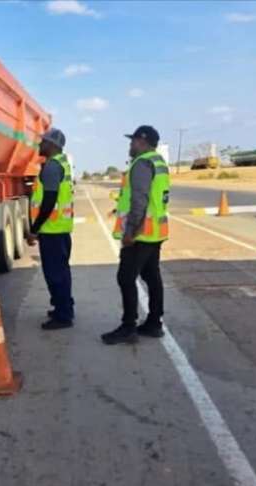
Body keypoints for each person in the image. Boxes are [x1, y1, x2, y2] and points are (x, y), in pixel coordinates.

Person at [101, 125, 170, 345]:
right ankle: (154, 323)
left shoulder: (141, 163)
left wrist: (130, 231)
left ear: (142, 141)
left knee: (125, 277)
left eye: (132, 141)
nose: (130, 145)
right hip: (155, 232)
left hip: (140, 234)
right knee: (152, 276)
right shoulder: (159, 162)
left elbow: (139, 199)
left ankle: (128, 327)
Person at [28, 128, 75, 330]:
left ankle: (63, 316)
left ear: (52, 145)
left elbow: (49, 201)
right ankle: (63, 308)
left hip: (52, 231)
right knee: (61, 273)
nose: (40, 144)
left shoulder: (52, 167)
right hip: (60, 229)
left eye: (43, 142)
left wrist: (34, 228)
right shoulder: (62, 163)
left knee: (55, 275)